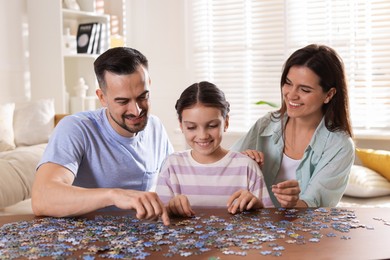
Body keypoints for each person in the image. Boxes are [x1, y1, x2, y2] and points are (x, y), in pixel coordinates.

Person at [31, 47, 174, 225]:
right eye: (123, 101)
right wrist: (113, 195)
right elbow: (42, 198)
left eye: (142, 97)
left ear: (149, 85)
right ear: (102, 97)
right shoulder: (75, 128)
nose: (136, 110)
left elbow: (177, 184)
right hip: (85, 241)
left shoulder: (155, 127)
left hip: (140, 239)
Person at [231, 44, 355, 208]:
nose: (291, 94)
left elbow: (318, 204)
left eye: (304, 89)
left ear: (329, 94)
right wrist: (244, 163)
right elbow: (225, 170)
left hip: (305, 230)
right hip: (258, 227)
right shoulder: (266, 124)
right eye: (288, 83)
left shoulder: (340, 145)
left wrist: (295, 203)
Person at [155, 81, 273, 217]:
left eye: (212, 125)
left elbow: (268, 220)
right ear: (181, 126)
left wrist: (257, 207)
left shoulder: (247, 167)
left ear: (226, 122)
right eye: (191, 127)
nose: (203, 136)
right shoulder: (172, 165)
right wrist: (170, 209)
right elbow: (159, 219)